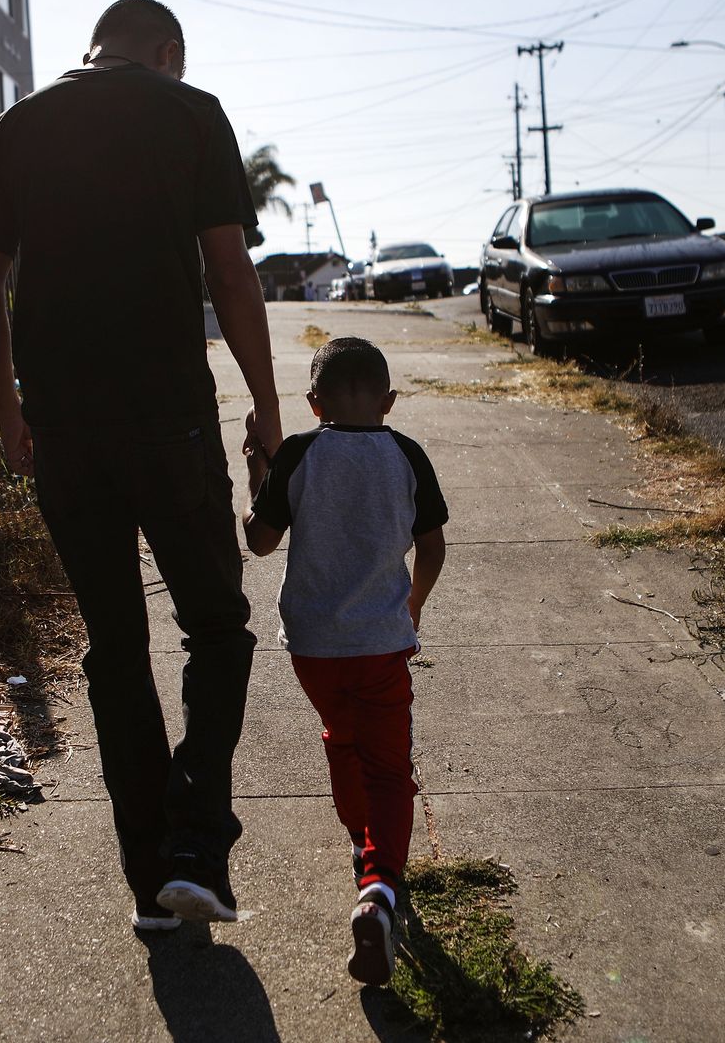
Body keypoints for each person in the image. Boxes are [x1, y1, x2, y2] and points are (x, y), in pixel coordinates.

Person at [0, 0, 281, 930]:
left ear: (92, 46)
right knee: (216, 625)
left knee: (115, 647)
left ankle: (150, 883)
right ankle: (195, 844)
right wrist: (262, 401)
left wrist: (9, 411)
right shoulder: (190, 112)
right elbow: (229, 270)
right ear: (166, 52)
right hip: (170, 423)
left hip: (65, 430)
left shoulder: (22, 122)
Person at [241, 337, 448, 986]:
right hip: (381, 641)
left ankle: (362, 845)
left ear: (313, 402)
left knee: (341, 739)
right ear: (389, 401)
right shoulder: (407, 454)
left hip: (313, 646)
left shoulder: (301, 453)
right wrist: (412, 604)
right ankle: (379, 888)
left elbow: (261, 540)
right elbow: (433, 545)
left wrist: (258, 470)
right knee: (389, 769)